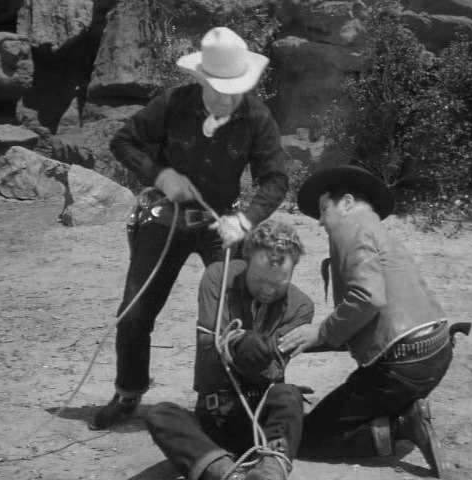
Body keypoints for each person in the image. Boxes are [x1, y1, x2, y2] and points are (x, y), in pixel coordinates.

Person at [89, 26, 289, 430]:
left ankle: (226, 399)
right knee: (134, 312)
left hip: (222, 224)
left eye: (235, 90)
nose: (227, 98)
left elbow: (275, 179)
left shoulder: (256, 116)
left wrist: (245, 220)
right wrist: (160, 175)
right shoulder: (173, 104)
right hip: (165, 220)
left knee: (231, 315)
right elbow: (123, 141)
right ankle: (129, 393)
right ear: (201, 80)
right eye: (218, 89)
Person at [278, 165, 464, 479]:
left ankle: (403, 426)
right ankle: (404, 413)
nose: (321, 220)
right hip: (436, 354)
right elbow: (374, 315)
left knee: (307, 438)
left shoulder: (350, 227)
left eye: (324, 209)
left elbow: (368, 297)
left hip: (401, 366)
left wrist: (321, 331)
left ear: (347, 203)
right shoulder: (377, 230)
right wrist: (317, 339)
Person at [146, 220, 314, 480]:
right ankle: (227, 474)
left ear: (293, 272)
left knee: (289, 395)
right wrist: (240, 344)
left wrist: (255, 354)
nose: (268, 290)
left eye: (279, 282)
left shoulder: (301, 306)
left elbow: (274, 369)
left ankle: (270, 472)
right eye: (259, 280)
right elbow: (210, 348)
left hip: (262, 420)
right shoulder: (219, 277)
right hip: (215, 416)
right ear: (246, 260)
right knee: (160, 414)